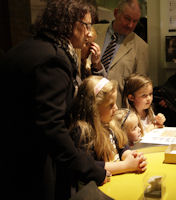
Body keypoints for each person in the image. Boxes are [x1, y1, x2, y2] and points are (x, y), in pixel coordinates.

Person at [0, 1, 110, 200]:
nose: (89, 32)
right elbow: (51, 128)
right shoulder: (53, 58)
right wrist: (90, 170)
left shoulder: (29, 47)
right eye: (86, 25)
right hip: (29, 167)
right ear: (69, 22)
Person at [69, 75, 147, 175]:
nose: (116, 108)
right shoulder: (83, 132)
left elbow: (122, 146)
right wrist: (126, 166)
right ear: (94, 108)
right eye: (110, 105)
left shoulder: (111, 124)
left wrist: (130, 156)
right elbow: (91, 165)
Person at [91, 0, 149, 107]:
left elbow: (140, 89)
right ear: (116, 13)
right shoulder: (93, 32)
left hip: (117, 111)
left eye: (135, 21)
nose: (130, 25)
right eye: (127, 18)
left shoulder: (141, 48)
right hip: (88, 104)